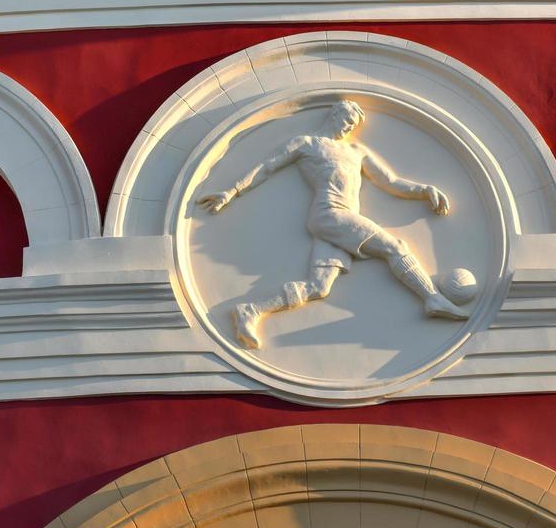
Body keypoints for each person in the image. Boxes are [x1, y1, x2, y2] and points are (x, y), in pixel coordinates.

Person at [197, 99, 468, 350]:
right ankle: (432, 298)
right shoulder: (308, 144)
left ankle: (251, 310)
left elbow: (390, 181)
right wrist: (231, 191)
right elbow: (267, 166)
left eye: (354, 125)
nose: (349, 127)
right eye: (347, 120)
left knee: (319, 287)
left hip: (340, 222)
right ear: (335, 114)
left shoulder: (356, 151)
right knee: (395, 247)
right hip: (330, 213)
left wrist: (424, 189)